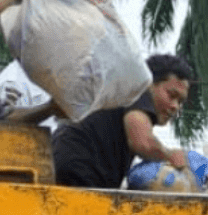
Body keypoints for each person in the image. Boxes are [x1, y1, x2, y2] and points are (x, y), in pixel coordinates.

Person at [50, 53, 195, 189]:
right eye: (171, 95)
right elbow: (142, 143)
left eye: (180, 101)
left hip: (65, 165)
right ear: (150, 83)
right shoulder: (139, 89)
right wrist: (172, 156)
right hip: (80, 170)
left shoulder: (120, 91)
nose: (175, 106)